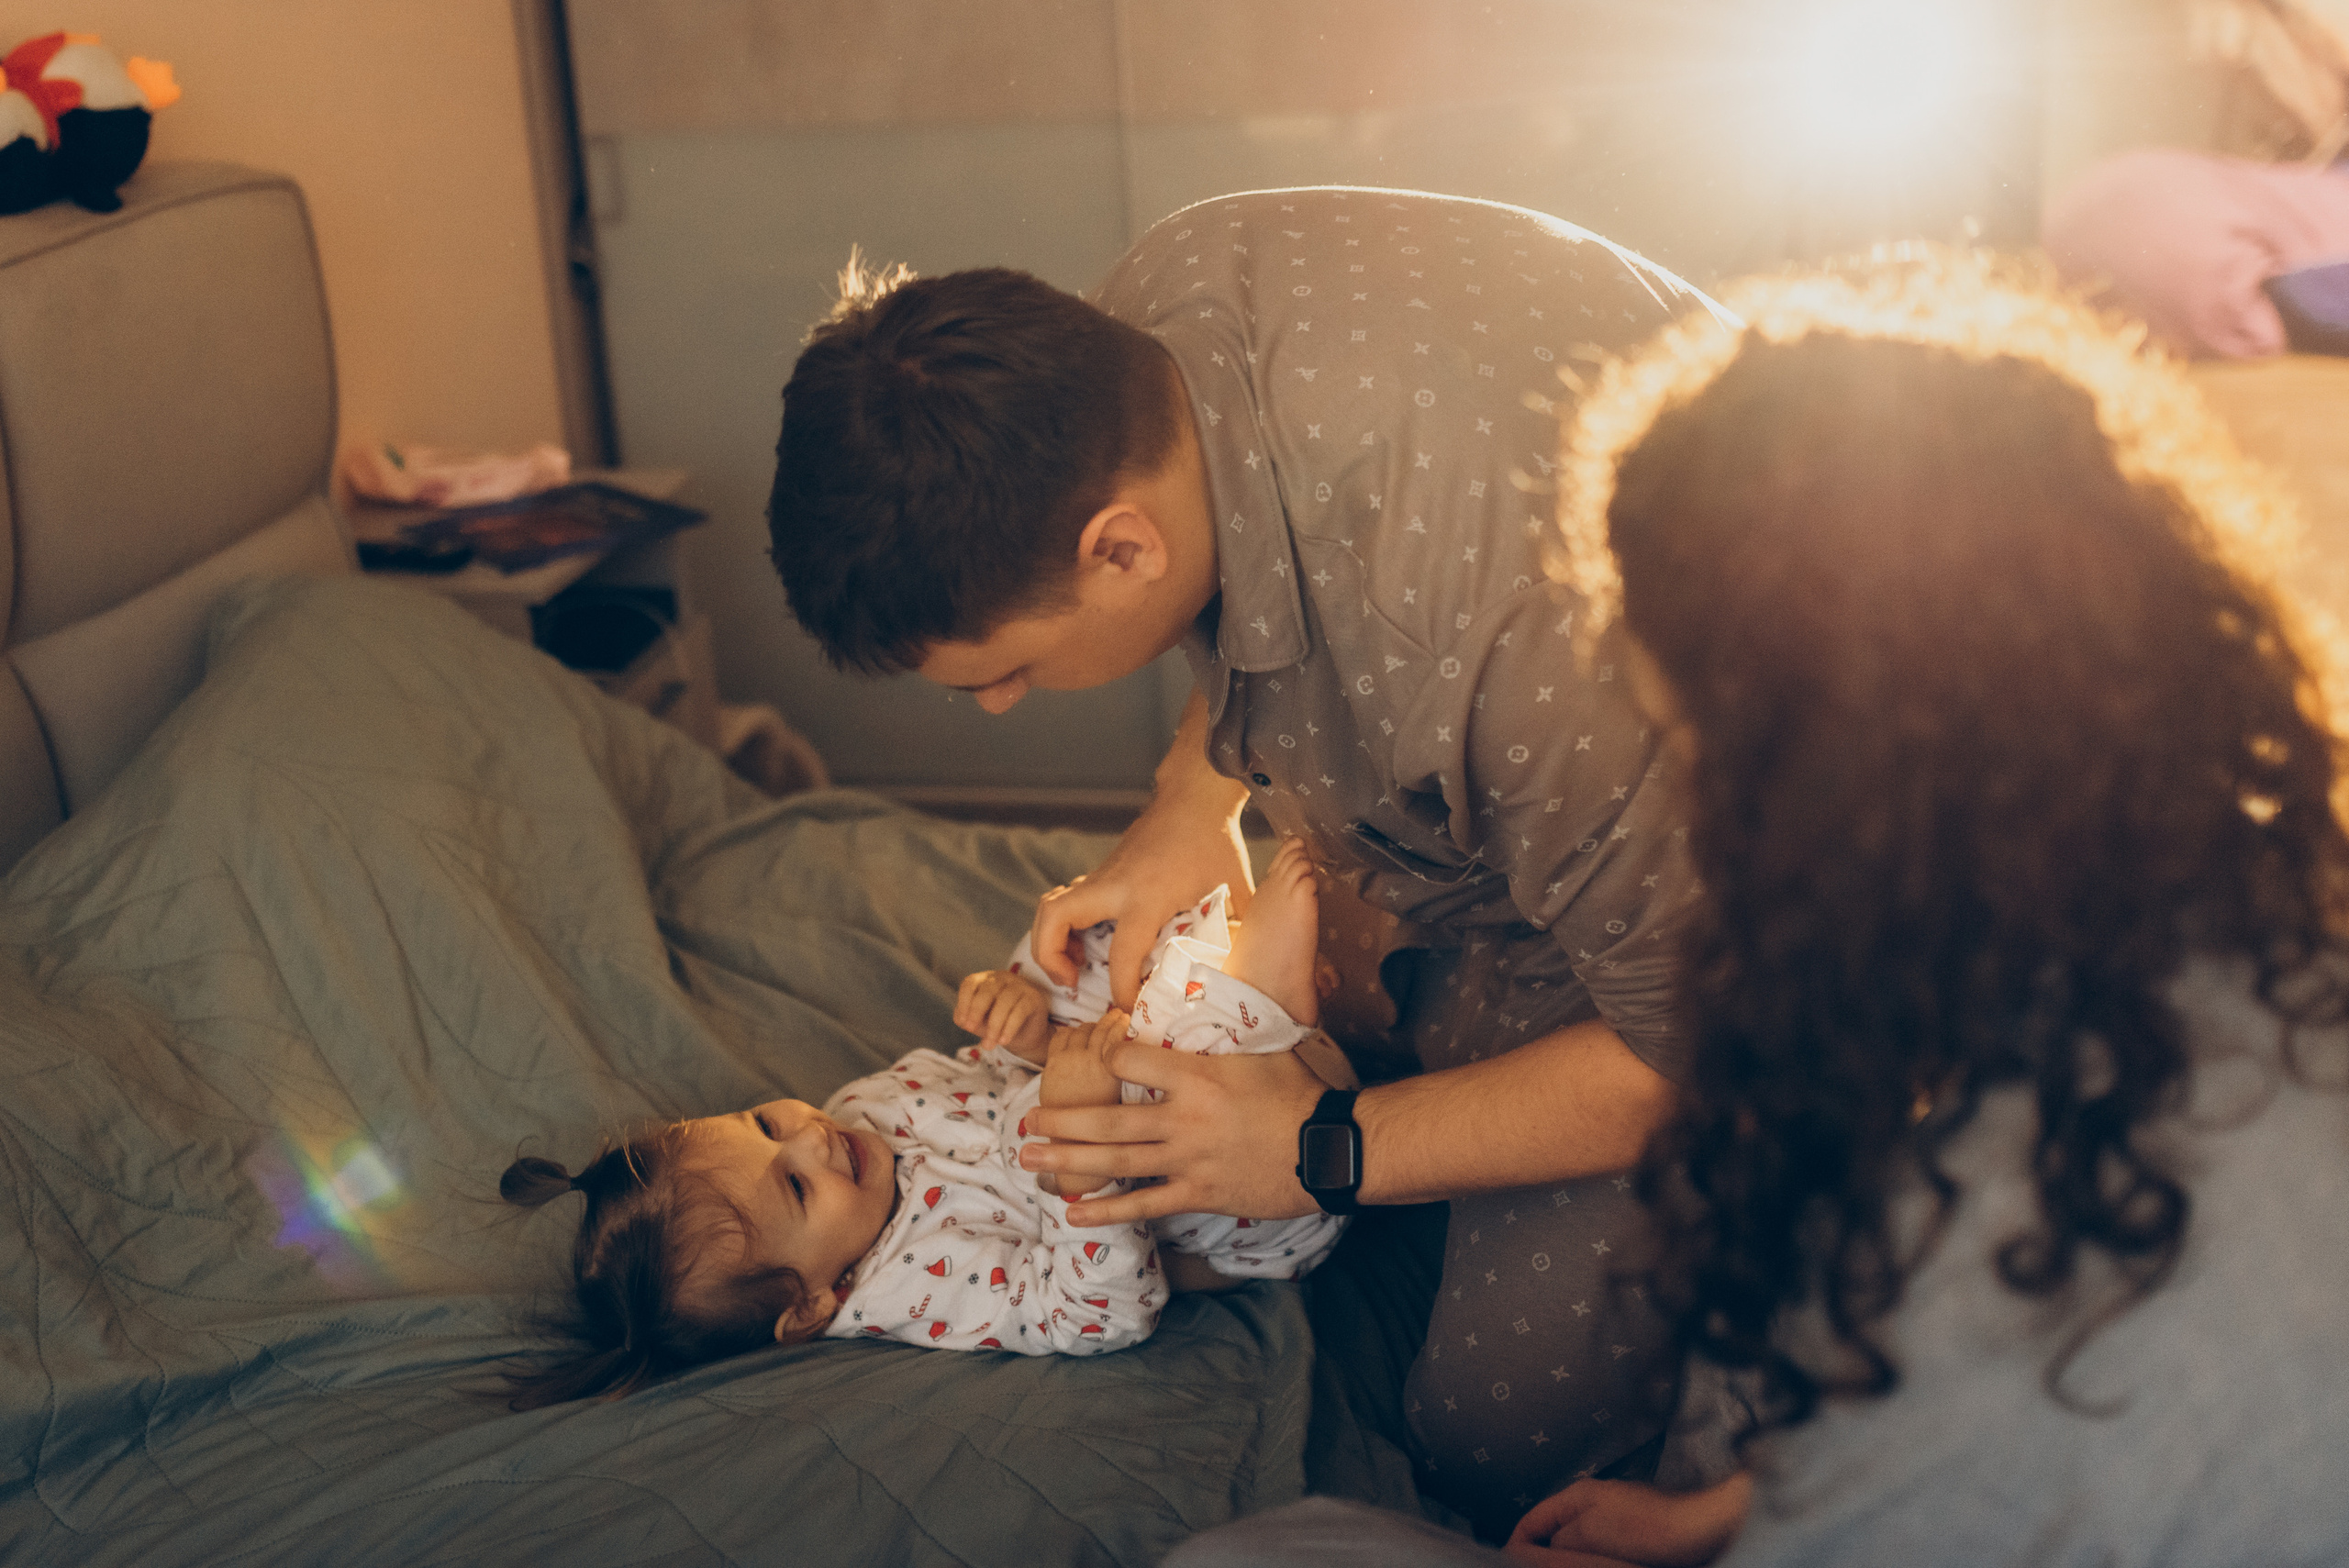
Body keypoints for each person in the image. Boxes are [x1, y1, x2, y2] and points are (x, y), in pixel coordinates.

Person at [1174, 253, 2349, 1565]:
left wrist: (1325, 1146)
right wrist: (1721, 1514)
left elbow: (1942, 1456)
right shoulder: (2259, 914)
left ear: (1833, 789)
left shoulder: (1980, 1279)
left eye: (1707, 759)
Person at [767, 187, 1733, 1530]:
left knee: (1488, 1445)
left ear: (1120, 548)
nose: (998, 708)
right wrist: (1187, 803)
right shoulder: (1156, 309)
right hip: (1551, 813)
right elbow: (1265, 596)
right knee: (1310, 1024)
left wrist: (1323, 1147)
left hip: (1770, 925)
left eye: (1011, 672)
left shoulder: (1522, 639)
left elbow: (1701, 1051)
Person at [497, 838, 1341, 1407]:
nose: (810, 1135)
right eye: (793, 1182)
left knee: (1050, 957)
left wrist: (1026, 1026)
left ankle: (1242, 986)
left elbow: (998, 1077)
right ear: (813, 1304)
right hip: (1246, 1203)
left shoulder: (856, 1115)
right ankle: (1261, 996)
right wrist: (1079, 1156)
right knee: (1154, 1068)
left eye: (762, 1122)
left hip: (1102, 1084)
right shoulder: (918, 1284)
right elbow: (1098, 1313)